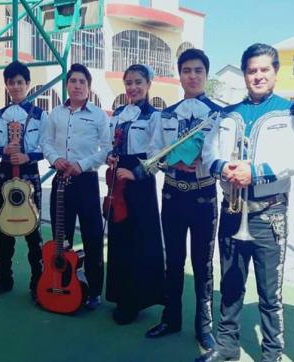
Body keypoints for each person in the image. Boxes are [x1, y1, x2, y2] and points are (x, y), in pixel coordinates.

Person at [197, 43, 294, 362]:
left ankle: (271, 353)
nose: (258, 76)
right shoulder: (227, 113)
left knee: (269, 293)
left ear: (275, 71)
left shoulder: (291, 112)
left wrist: (254, 172)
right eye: (251, 70)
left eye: (264, 70)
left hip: (268, 214)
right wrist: (224, 168)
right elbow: (209, 154)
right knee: (230, 284)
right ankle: (227, 347)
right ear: (244, 73)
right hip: (232, 211)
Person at [145, 49, 220, 350]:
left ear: (205, 75)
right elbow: (152, 155)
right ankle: (170, 318)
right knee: (173, 261)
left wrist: (207, 161)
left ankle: (204, 328)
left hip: (204, 196)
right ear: (179, 75)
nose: (192, 76)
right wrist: (171, 163)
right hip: (173, 194)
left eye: (198, 70)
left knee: (203, 265)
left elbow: (226, 155)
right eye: (186, 70)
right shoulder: (166, 115)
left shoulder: (220, 115)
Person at [40, 63, 110, 310]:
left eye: (82, 82)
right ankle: (60, 282)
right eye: (73, 81)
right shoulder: (55, 114)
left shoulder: (99, 116)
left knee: (92, 238)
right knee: (62, 236)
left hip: (86, 181)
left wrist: (82, 164)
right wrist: (53, 158)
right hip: (60, 180)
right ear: (67, 85)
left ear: (89, 87)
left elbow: (107, 148)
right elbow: (45, 142)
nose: (77, 85)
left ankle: (94, 291)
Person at [105, 64, 165, 324]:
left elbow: (160, 156)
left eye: (138, 82)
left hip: (139, 181)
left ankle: (137, 300)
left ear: (149, 83)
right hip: (117, 178)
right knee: (119, 239)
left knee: (139, 241)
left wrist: (137, 173)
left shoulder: (155, 116)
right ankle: (120, 297)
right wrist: (110, 156)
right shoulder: (118, 113)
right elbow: (112, 144)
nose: (133, 87)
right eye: (128, 82)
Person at [0, 60, 46, 300]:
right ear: (6, 85)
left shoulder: (41, 115)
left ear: (28, 84)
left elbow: (47, 147)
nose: (15, 86)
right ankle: (4, 278)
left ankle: (37, 281)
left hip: (29, 172)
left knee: (33, 230)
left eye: (20, 82)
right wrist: (3, 151)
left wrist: (27, 155)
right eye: (11, 82)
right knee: (4, 227)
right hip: (5, 172)